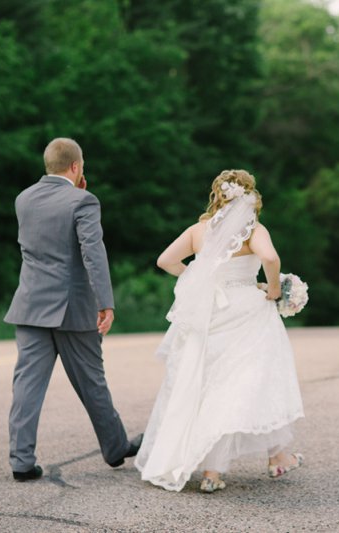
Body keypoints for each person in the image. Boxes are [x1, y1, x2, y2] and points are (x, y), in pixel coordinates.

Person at [135, 169, 305, 493]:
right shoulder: (253, 230)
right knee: (252, 383)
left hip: (208, 314)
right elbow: (270, 256)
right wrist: (272, 290)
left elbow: (165, 260)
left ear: (218, 195)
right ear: (250, 197)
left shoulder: (198, 231)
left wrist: (195, 279)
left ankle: (226, 469)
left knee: (207, 388)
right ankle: (263, 459)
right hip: (246, 309)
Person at [4, 137, 141, 481]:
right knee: (92, 382)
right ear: (77, 167)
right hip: (72, 309)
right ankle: (115, 448)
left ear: (48, 164)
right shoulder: (83, 200)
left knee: (26, 385)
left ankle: (21, 462)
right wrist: (105, 303)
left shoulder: (23, 199)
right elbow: (92, 252)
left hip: (30, 306)